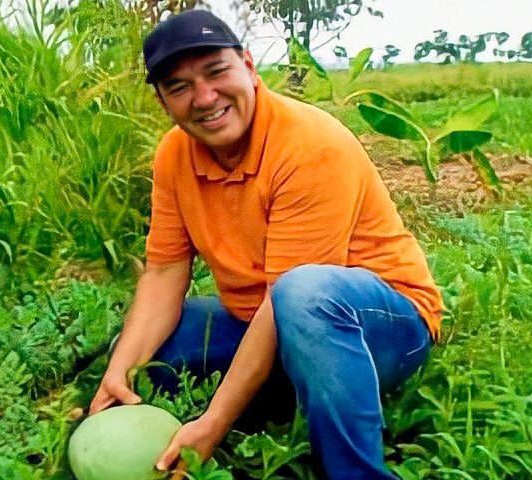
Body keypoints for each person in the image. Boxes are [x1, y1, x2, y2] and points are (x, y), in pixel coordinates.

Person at [86, 9, 443, 479]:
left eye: (217, 72)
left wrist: (213, 424)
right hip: (265, 321)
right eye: (180, 87)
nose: (205, 97)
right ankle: (276, 397)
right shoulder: (174, 155)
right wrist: (122, 369)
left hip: (379, 325)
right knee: (155, 348)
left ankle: (355, 471)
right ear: (163, 101)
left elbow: (286, 302)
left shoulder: (310, 145)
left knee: (303, 294)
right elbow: (165, 272)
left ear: (249, 68)